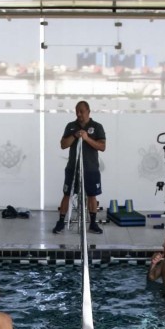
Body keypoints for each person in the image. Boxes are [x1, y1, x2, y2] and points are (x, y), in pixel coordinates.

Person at [52, 100, 107, 235]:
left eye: (81, 111)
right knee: (67, 194)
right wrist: (75, 135)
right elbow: (63, 145)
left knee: (92, 195)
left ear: (88, 111)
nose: (79, 114)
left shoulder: (97, 126)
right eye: (77, 111)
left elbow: (102, 146)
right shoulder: (71, 126)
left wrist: (87, 138)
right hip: (73, 168)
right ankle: (61, 222)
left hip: (91, 169)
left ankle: (93, 223)